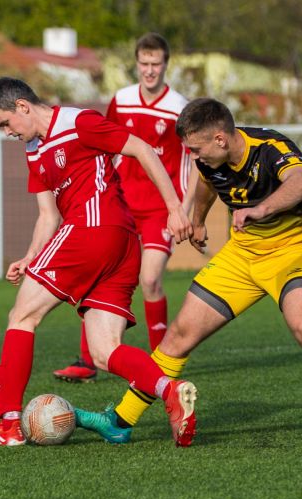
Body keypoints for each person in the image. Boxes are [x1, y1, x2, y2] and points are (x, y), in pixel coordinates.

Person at [75, 97, 302, 451]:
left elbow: (301, 183)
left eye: (197, 148)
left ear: (220, 139)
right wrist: (200, 219)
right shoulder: (209, 161)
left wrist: (260, 209)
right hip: (242, 255)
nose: (193, 156)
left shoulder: (270, 147)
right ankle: (120, 422)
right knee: (178, 336)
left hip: (292, 250)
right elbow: (206, 183)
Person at [0, 77, 198, 447]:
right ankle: (170, 391)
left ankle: (10, 424)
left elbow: (143, 148)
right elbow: (48, 215)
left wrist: (175, 209)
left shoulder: (78, 123)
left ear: (22, 107)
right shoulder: (33, 148)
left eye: (5, 123)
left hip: (91, 230)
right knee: (103, 351)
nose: (6, 132)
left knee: (22, 317)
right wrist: (30, 257)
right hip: (122, 242)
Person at [52, 32, 198, 384]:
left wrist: (183, 209)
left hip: (161, 209)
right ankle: (88, 361)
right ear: (137, 63)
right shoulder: (121, 100)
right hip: (118, 205)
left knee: (149, 279)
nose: (149, 70)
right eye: (144, 64)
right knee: (97, 276)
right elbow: (105, 146)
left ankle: (163, 360)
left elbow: (196, 162)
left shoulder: (179, 106)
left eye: (156, 64)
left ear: (166, 65)